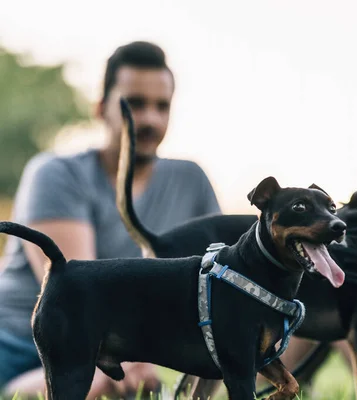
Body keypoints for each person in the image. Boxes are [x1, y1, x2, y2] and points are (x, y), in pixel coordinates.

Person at [0, 41, 221, 398]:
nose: (150, 118)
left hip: (117, 346)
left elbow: (223, 287)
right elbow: (82, 297)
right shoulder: (56, 174)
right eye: (134, 104)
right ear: (101, 109)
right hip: (20, 345)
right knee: (99, 381)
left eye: (162, 106)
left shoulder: (191, 181)